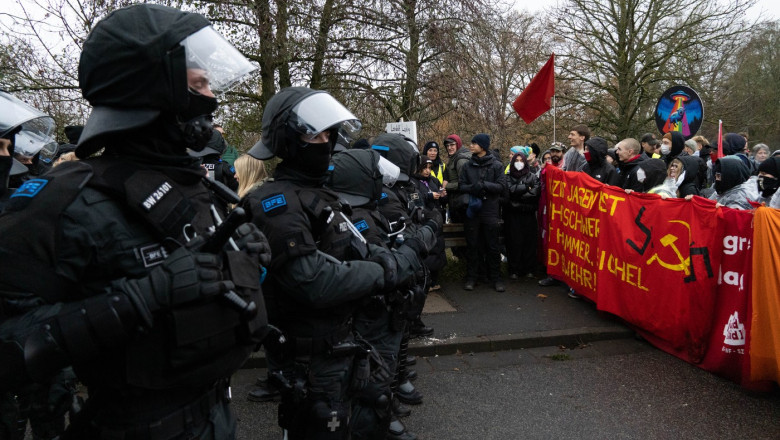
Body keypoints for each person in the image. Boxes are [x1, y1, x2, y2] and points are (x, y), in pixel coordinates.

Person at [0, 5, 271, 439]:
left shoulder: (194, 185)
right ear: (152, 88)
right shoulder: (67, 197)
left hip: (216, 417)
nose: (211, 96)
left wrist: (248, 263)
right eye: (198, 84)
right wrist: (137, 300)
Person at [241, 87, 432, 439]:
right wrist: (386, 270)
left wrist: (392, 257)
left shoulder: (319, 196)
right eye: (317, 134)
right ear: (288, 139)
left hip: (344, 343)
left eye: (330, 133)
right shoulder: (276, 202)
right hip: (309, 357)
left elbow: (354, 247)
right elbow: (314, 281)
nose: (327, 142)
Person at [460, 133, 507, 292]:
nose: (471, 146)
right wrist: (474, 188)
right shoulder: (467, 165)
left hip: (490, 210)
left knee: (492, 245)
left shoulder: (496, 165)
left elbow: (501, 186)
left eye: (474, 143)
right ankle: (472, 277)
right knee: (473, 244)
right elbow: (462, 185)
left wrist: (484, 185)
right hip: (473, 210)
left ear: (483, 146)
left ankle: (496, 278)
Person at [503, 151, 540, 280]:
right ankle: (514, 269)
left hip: (528, 215)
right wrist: (526, 187)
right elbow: (509, 192)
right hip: (512, 216)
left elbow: (535, 194)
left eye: (521, 160)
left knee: (529, 242)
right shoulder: (507, 177)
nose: (519, 163)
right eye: (516, 160)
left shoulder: (533, 177)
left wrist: (518, 196)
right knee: (514, 242)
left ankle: (529, 269)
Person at [442, 134, 470, 223]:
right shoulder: (454, 157)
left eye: (452, 145)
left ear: (458, 144)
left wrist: (447, 186)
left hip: (461, 203)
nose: (449, 148)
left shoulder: (461, 160)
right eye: (447, 146)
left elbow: (465, 183)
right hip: (457, 201)